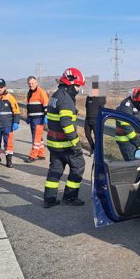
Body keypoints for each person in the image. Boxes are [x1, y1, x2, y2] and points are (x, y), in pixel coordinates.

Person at [43, 68, 86, 208]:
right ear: (70, 83)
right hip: (65, 144)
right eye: (78, 86)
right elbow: (67, 124)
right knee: (78, 165)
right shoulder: (66, 99)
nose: (79, 89)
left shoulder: (56, 95)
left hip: (53, 142)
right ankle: (70, 197)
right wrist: (76, 145)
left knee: (55, 170)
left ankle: (49, 199)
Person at [115, 85, 140, 161]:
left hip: (134, 139)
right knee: (132, 164)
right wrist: (138, 142)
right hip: (125, 140)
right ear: (137, 99)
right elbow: (127, 128)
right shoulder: (125, 106)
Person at [24, 76, 49, 163]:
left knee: (35, 137)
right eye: (29, 84)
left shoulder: (41, 92)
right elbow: (29, 105)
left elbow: (46, 105)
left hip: (39, 118)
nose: (31, 85)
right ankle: (41, 154)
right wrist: (28, 116)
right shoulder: (29, 93)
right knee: (39, 137)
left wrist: (46, 116)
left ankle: (33, 155)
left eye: (32, 83)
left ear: (36, 83)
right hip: (32, 118)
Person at [84, 82, 106, 154]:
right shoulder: (88, 97)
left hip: (96, 120)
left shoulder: (101, 98)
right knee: (87, 134)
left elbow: (102, 109)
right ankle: (93, 147)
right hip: (88, 119)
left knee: (97, 137)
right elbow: (86, 106)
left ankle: (97, 151)